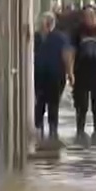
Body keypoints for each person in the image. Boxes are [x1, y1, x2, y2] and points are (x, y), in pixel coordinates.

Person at [65, 5, 96, 145]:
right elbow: (70, 52)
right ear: (83, 17)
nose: (90, 18)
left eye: (92, 15)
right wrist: (70, 72)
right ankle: (80, 131)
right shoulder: (77, 31)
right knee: (81, 104)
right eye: (87, 16)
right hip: (81, 73)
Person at [33, 12, 70, 144]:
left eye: (47, 22)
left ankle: (53, 129)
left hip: (55, 75)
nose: (44, 25)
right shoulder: (36, 37)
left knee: (53, 103)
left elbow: (66, 55)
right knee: (40, 102)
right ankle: (39, 127)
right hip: (39, 75)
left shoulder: (59, 38)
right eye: (43, 22)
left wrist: (70, 73)